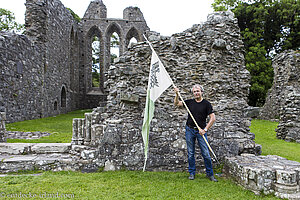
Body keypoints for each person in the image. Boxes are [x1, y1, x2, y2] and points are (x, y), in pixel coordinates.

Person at [174, 84, 218, 182]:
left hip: (201, 131)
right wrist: (177, 94)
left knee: (206, 153)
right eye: (194, 92)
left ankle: (210, 174)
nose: (196, 93)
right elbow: (177, 103)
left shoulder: (206, 104)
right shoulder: (189, 102)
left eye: (198, 91)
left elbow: (213, 118)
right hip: (190, 130)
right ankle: (192, 173)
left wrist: (205, 130)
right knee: (190, 153)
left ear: (202, 92)